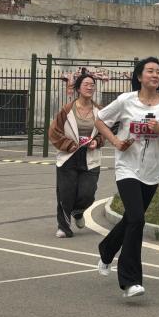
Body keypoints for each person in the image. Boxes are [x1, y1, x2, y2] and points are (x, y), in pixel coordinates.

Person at [94, 57, 159, 299]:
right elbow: (100, 120)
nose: (155, 75)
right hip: (127, 167)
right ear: (139, 76)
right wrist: (115, 142)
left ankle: (107, 249)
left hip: (153, 170)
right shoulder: (126, 100)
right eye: (150, 71)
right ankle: (130, 280)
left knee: (131, 219)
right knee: (137, 218)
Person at [47, 71, 102, 238]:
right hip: (69, 156)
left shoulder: (100, 111)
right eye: (86, 84)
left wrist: (97, 141)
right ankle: (64, 227)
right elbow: (54, 131)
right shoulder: (67, 110)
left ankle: (78, 212)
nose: (90, 87)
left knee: (88, 193)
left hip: (90, 156)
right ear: (78, 88)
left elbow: (105, 132)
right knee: (66, 193)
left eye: (92, 85)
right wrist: (68, 144)